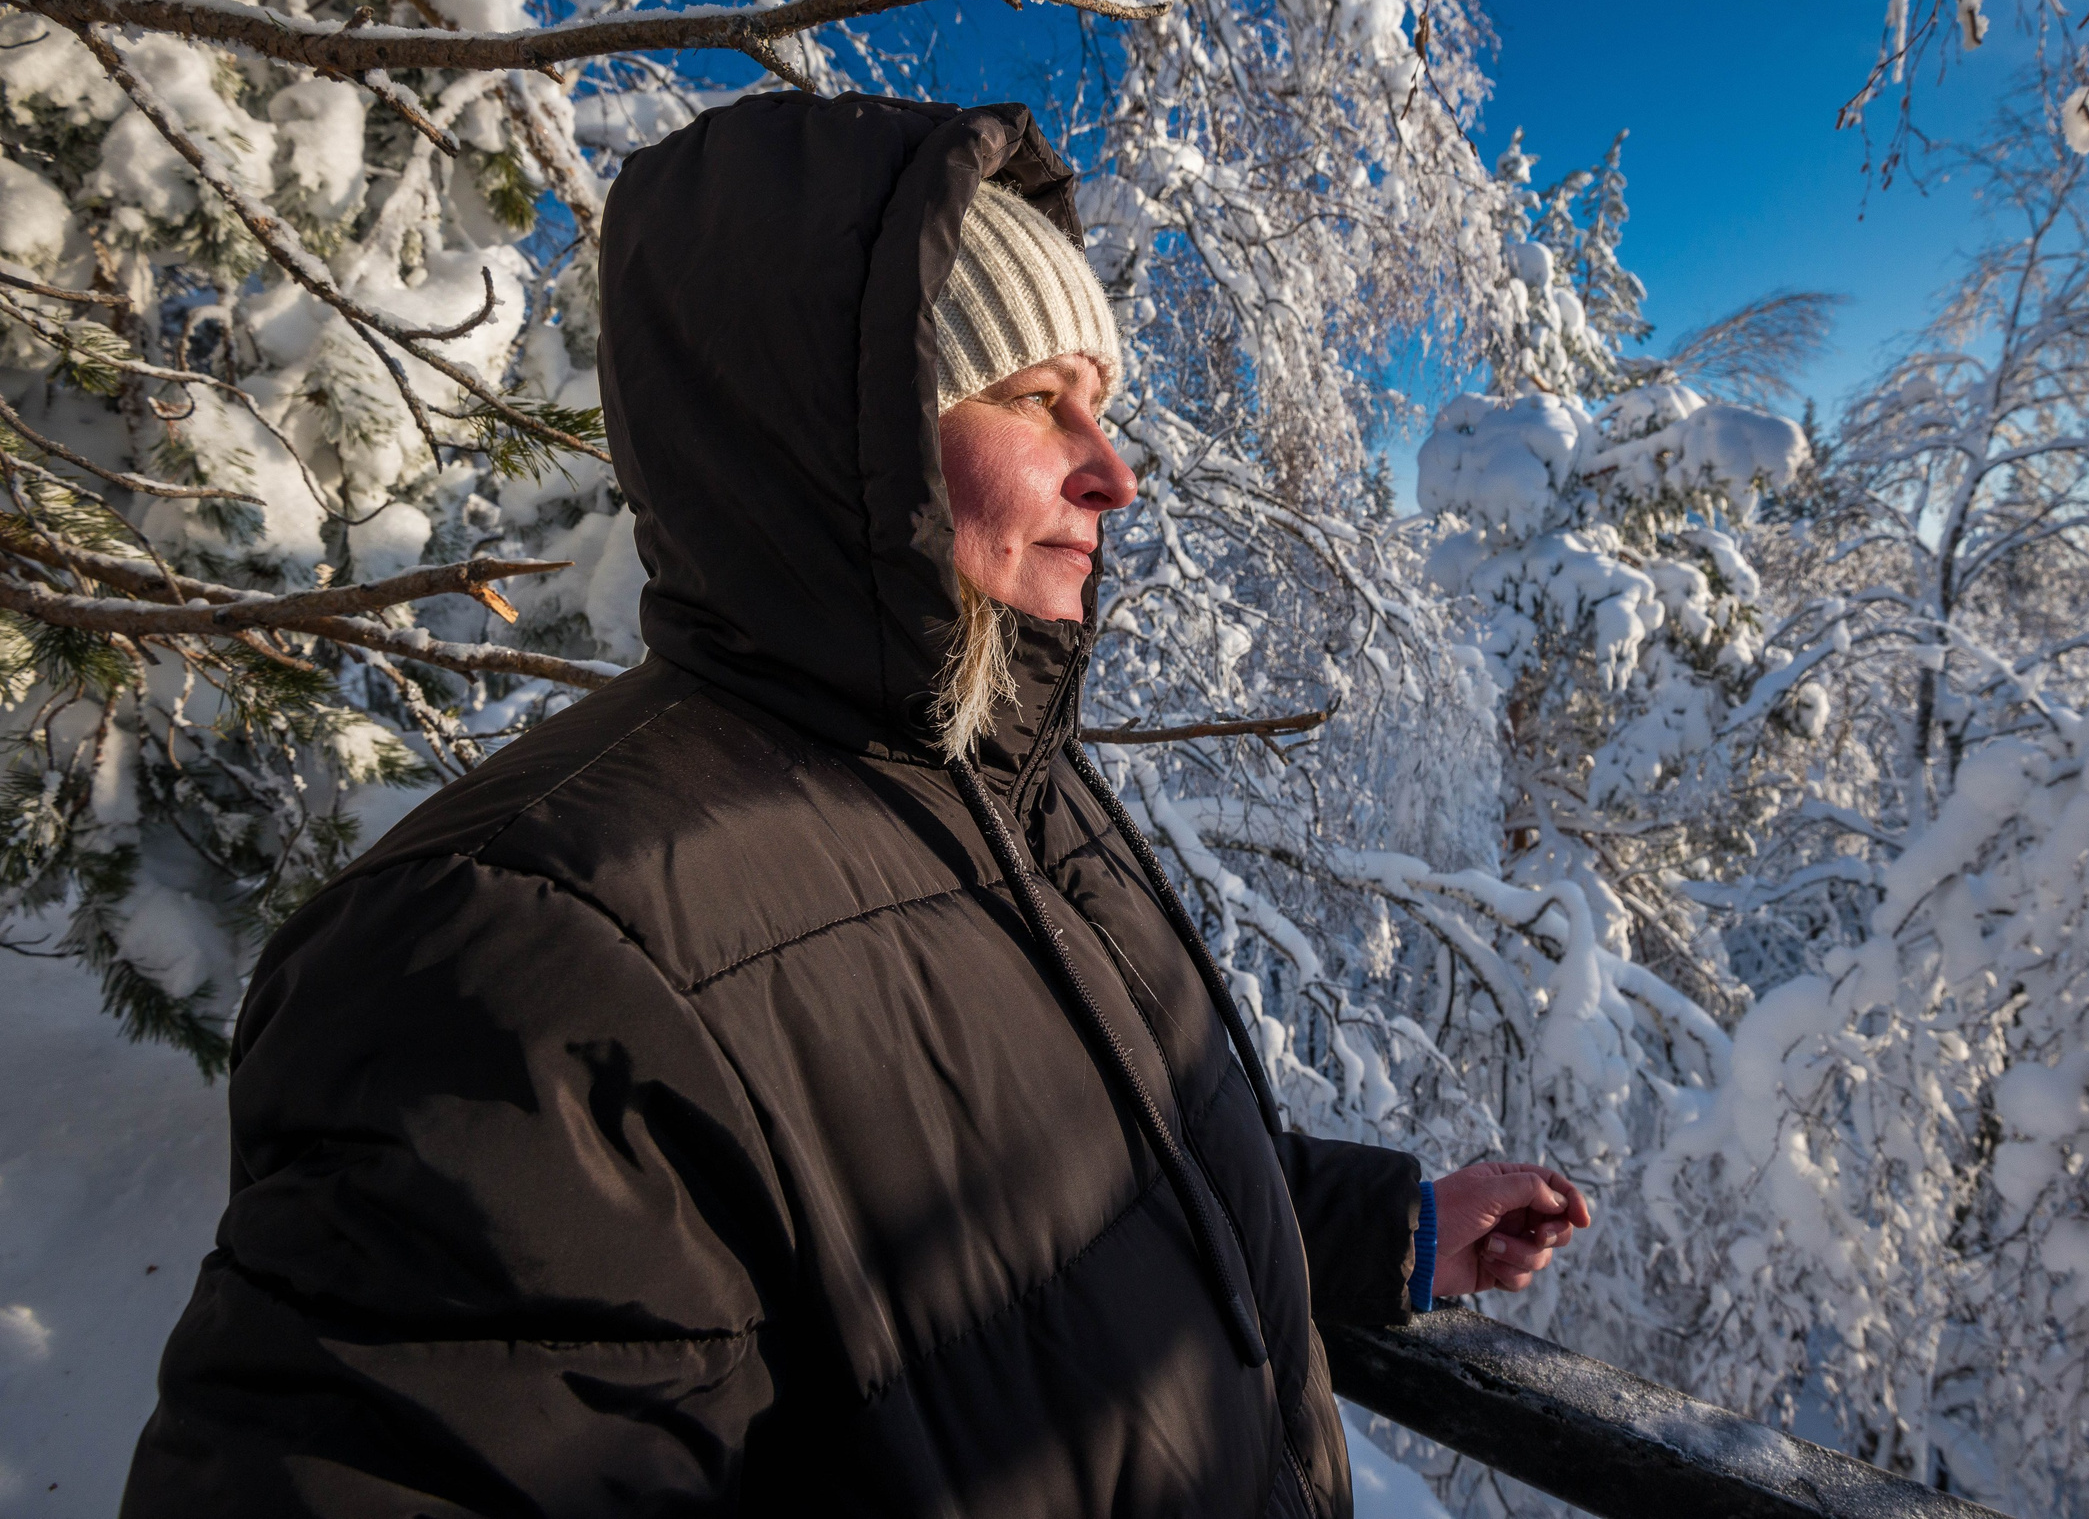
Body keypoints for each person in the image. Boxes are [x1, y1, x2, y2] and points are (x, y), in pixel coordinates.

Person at [121, 93, 1590, 1518]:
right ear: (849, 431)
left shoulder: (1007, 788)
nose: (1116, 470)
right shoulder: (523, 952)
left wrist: (1384, 1227)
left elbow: (1088, 1181)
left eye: (1106, 403)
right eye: (1036, 399)